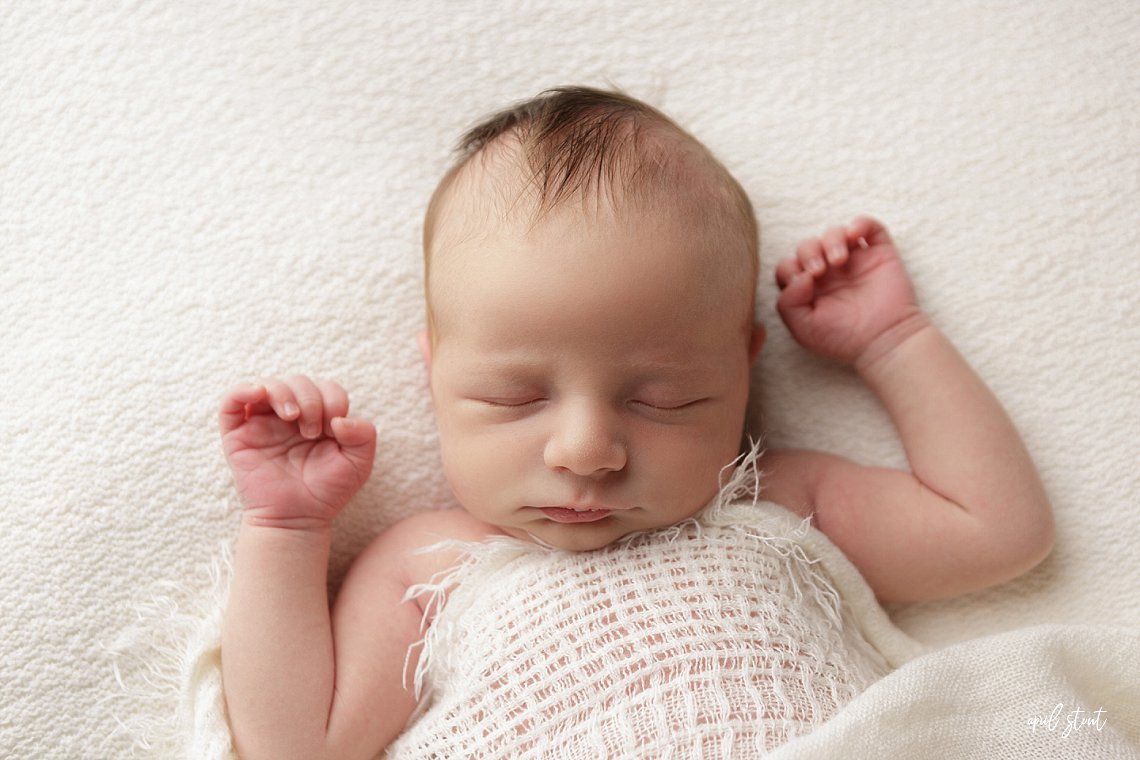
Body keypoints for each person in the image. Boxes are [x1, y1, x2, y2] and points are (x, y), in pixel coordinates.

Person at [218, 86, 1054, 759]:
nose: (586, 451)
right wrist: (287, 526)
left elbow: (997, 532)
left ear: (743, 368)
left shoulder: (777, 504)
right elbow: (294, 745)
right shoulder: (430, 567)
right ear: (434, 369)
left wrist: (894, 344)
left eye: (664, 400)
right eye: (516, 398)